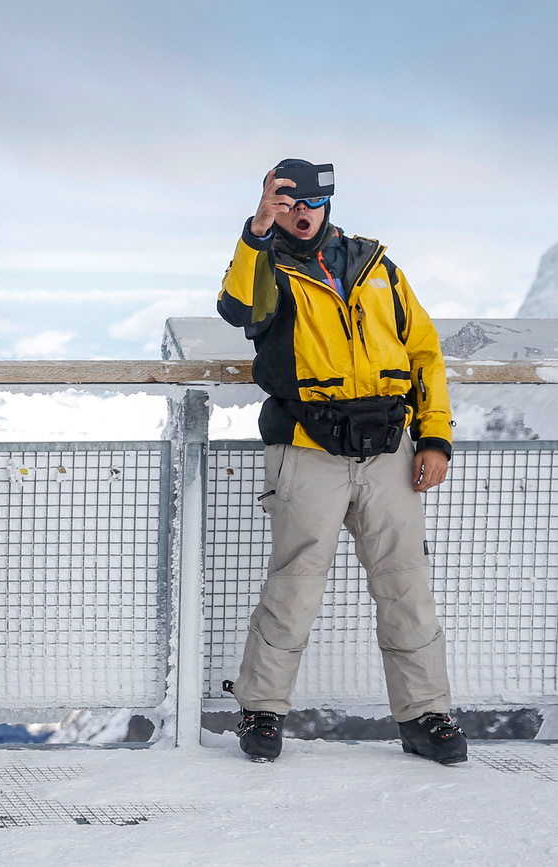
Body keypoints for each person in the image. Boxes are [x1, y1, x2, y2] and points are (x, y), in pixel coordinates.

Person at [217, 158, 467, 764]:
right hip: (307, 449)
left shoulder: (377, 264)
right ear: (274, 205)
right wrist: (255, 229)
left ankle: (426, 715)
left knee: (405, 586)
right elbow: (239, 310)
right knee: (296, 586)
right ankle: (261, 711)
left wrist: (433, 439)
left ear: (328, 202)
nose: (300, 214)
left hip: (389, 450)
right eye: (287, 203)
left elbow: (423, 353)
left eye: (309, 203)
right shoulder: (267, 263)